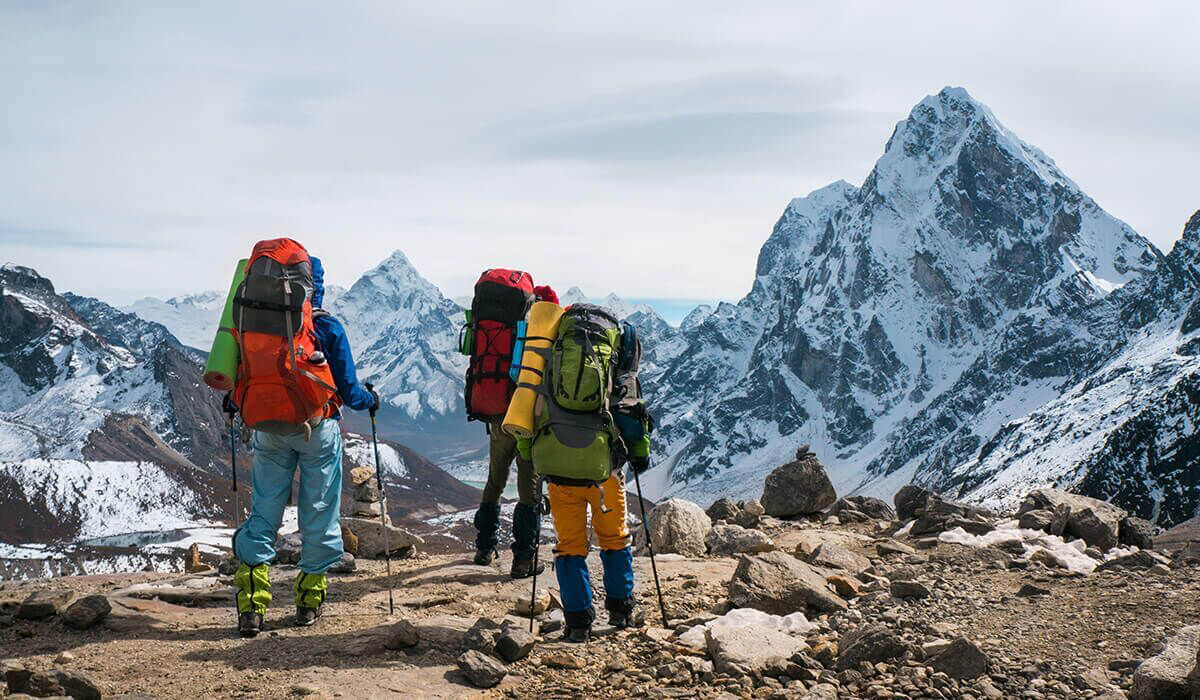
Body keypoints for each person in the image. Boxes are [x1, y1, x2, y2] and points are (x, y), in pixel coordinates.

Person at [231, 253, 378, 638]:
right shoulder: (325, 326)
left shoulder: (250, 322)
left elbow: (235, 381)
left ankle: (250, 608)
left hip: (267, 429)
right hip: (317, 429)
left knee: (263, 514)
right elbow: (348, 390)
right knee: (318, 514)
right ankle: (309, 602)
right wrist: (370, 399)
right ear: (315, 286)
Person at [520, 303, 652, 642]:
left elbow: (527, 412)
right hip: (602, 470)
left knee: (570, 546)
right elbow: (629, 414)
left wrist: (530, 456)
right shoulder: (615, 364)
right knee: (613, 538)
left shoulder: (551, 358)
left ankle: (578, 623)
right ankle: (621, 610)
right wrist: (639, 455)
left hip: (559, 468)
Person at [471, 283, 559, 579]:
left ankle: (484, 549)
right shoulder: (546, 331)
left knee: (494, 480)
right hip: (529, 419)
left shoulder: (509, 328)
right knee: (528, 489)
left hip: (498, 414)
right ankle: (523, 559)